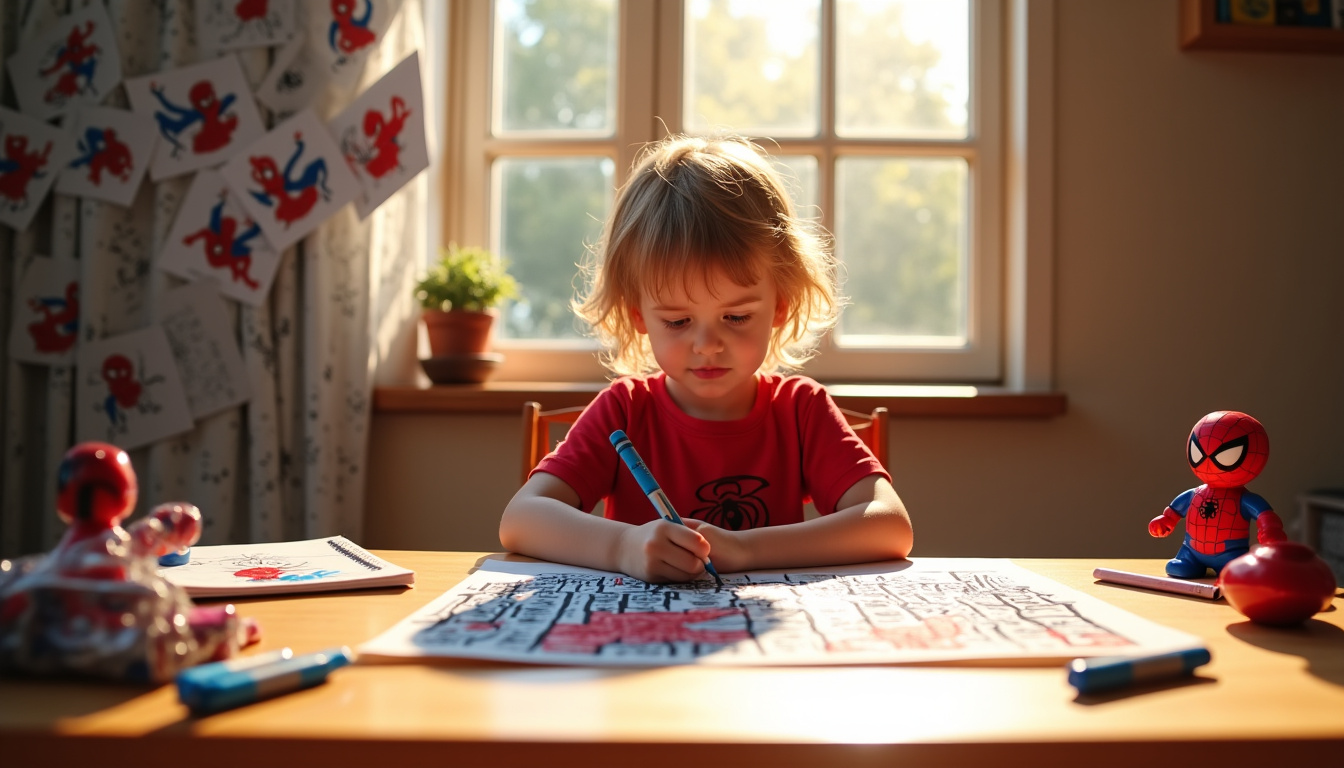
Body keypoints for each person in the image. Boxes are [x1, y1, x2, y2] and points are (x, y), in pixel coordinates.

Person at [499, 134, 913, 583]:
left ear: (781, 305)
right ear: (639, 315)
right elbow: (520, 519)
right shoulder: (625, 410)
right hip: (640, 644)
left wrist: (745, 550)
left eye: (735, 316)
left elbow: (890, 526)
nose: (707, 345)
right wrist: (623, 546)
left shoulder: (800, 410)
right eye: (677, 321)